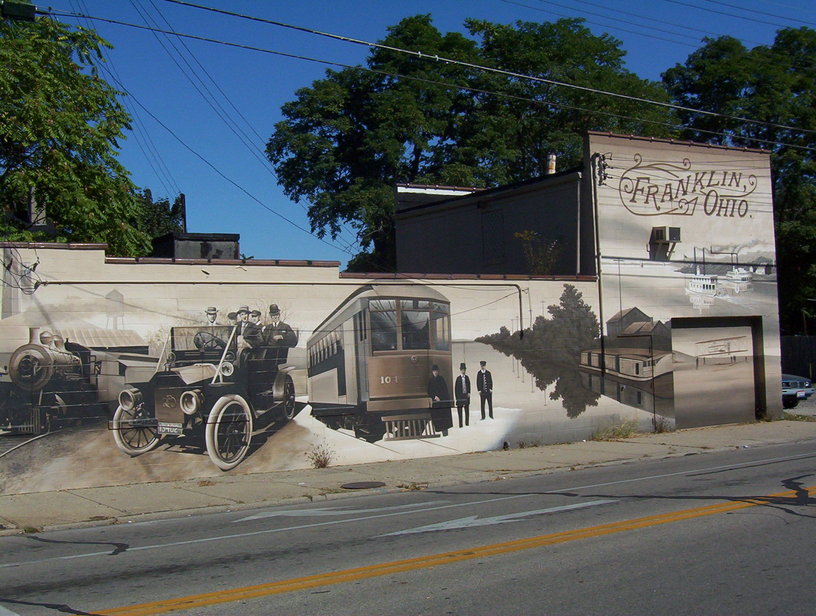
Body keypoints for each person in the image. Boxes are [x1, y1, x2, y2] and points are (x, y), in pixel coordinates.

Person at [454, 362, 471, 427]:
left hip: (466, 396)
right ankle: (460, 424)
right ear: (460, 370)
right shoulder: (458, 379)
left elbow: (469, 386)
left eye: (464, 370)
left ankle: (467, 423)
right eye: (462, 370)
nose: (463, 371)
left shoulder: (467, 378)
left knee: (467, 411)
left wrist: (469, 393)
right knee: (460, 411)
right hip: (460, 397)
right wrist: (457, 398)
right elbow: (456, 389)